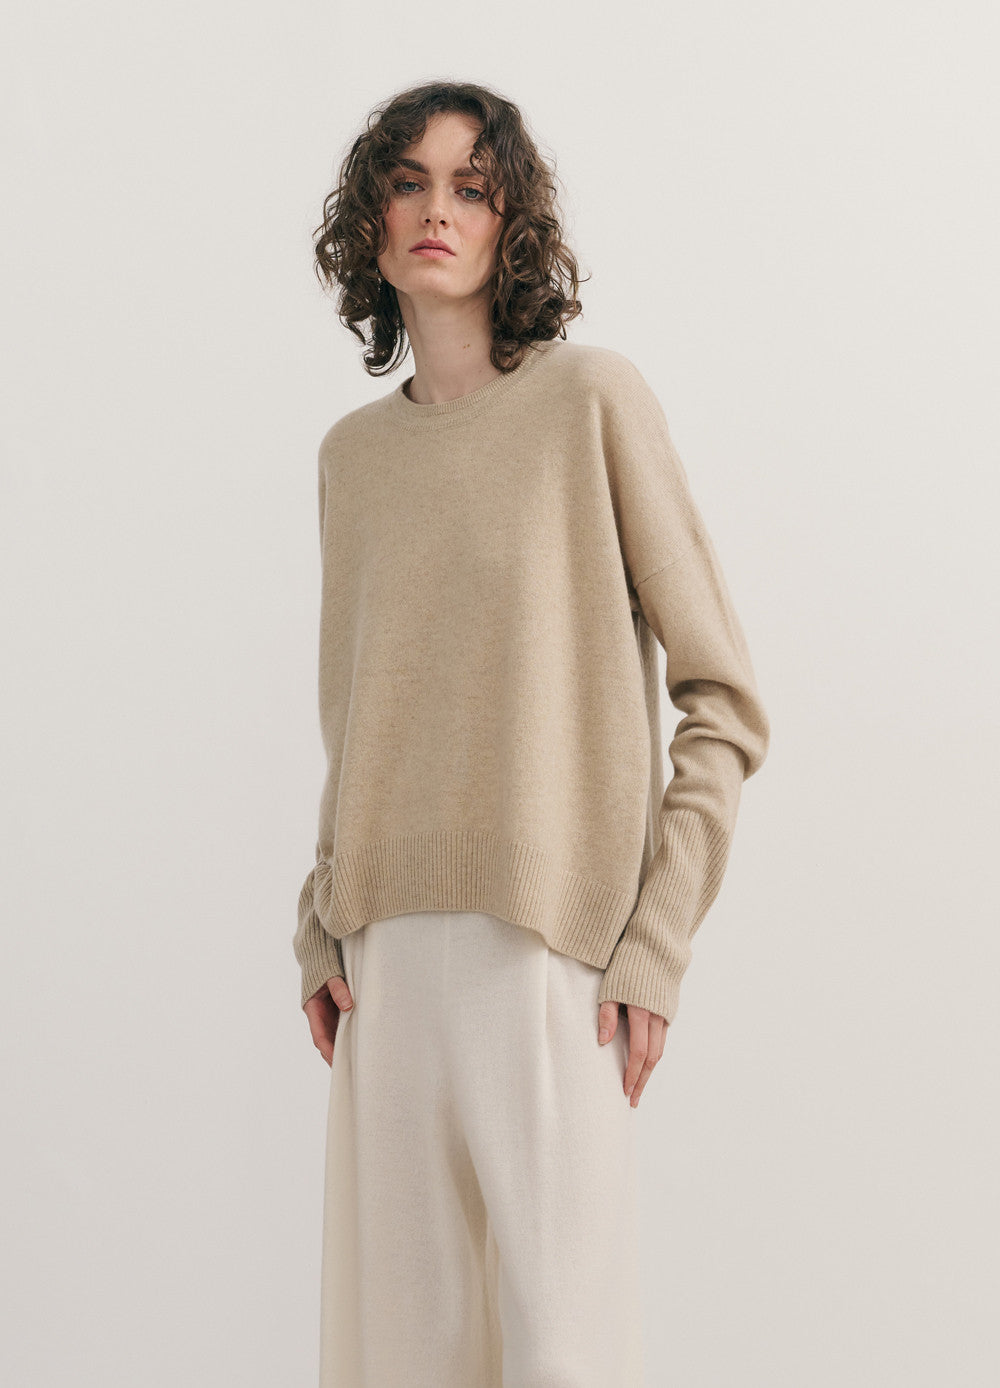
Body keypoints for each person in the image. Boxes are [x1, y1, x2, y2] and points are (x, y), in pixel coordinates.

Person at [293, 80, 770, 1387]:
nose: (435, 210)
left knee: (564, 1358)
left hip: (552, 962)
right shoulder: (351, 459)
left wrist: (655, 942)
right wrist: (320, 918)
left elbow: (724, 699)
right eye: (407, 182)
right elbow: (356, 716)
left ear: (515, 223)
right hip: (382, 968)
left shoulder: (591, 403)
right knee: (397, 1363)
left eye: (471, 186)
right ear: (368, 219)